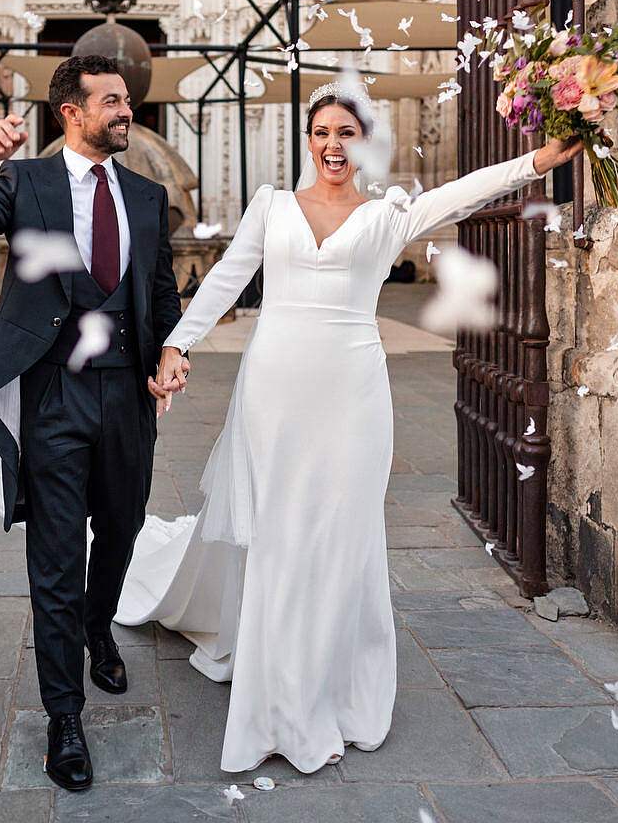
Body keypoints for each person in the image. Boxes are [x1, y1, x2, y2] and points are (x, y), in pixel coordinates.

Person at [119, 83, 584, 773]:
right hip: (273, 389)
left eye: (346, 133)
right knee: (279, 534)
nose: (333, 145)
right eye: (321, 133)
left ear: (361, 143)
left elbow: (464, 192)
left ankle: (329, 684)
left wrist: (538, 160)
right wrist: (177, 344)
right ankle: (275, 702)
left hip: (353, 394)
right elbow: (224, 279)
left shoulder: (390, 214)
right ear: (307, 141)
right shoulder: (272, 207)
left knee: (339, 533)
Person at [0, 55, 186, 791]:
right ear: (70, 112)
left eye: (128, 101)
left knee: (125, 525)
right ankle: (64, 716)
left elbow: (160, 293)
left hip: (127, 393)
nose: (125, 110)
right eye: (111, 101)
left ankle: (98, 623)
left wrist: (173, 348)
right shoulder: (26, 182)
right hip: (52, 393)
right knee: (56, 552)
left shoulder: (144, 194)